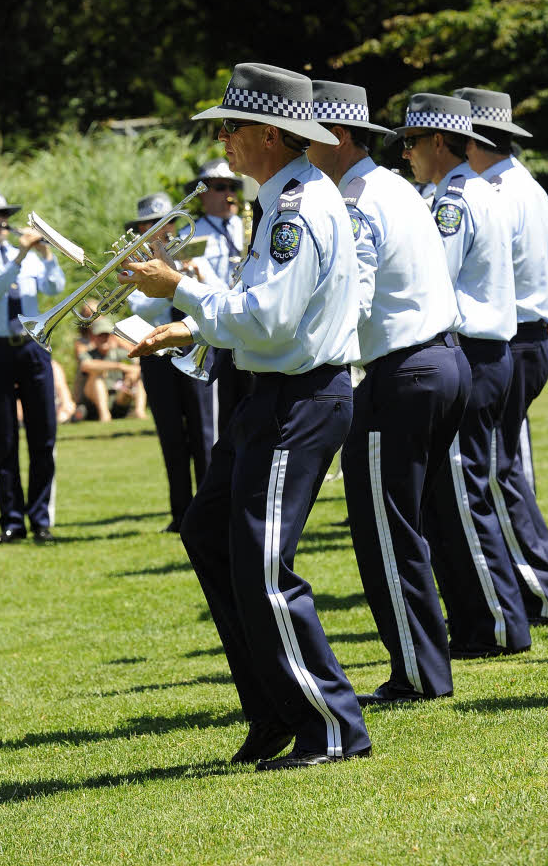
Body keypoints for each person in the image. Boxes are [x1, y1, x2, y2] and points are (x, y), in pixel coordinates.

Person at [118, 63, 371, 770]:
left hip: (300, 398)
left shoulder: (297, 209)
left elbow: (266, 318)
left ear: (267, 132)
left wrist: (181, 289)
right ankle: (273, 711)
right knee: (207, 532)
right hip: (274, 395)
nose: (222, 142)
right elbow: (258, 311)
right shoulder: (283, 198)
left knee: (263, 566)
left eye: (230, 128)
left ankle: (330, 724)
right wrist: (186, 319)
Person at [308, 82, 471, 703]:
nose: (303, 149)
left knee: (385, 530)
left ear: (341, 137)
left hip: (402, 371)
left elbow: (356, 295)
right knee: (406, 524)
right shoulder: (396, 187)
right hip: (441, 361)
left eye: (311, 137)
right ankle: (426, 663)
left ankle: (419, 673)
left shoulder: (355, 200)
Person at [385, 92, 532, 660]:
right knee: (455, 497)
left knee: (463, 499)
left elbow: (432, 276)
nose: (406, 155)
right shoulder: (471, 192)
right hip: (482, 353)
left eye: (412, 143)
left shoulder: (454, 202)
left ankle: (497, 622)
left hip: (473, 350)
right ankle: (478, 619)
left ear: (440, 142)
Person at [456, 88, 548, 624]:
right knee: (506, 467)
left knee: (497, 472)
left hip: (514, 336)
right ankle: (536, 577)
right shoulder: (521, 183)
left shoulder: (495, 191)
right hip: (528, 336)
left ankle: (540, 588)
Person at [0, 188, 66, 545]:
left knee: (43, 436)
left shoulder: (30, 256)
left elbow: (56, 284)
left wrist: (45, 251)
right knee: (4, 439)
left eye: (3, 214)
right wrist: (21, 254)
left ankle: (40, 519)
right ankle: (12, 522)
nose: (1, 221)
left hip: (34, 348)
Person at [124, 192, 215, 532]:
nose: (161, 230)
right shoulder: (134, 258)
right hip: (157, 352)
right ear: (142, 228)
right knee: (171, 435)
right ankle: (180, 514)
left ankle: (207, 511)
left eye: (167, 223)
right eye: (152, 225)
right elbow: (138, 307)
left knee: (205, 432)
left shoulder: (195, 251)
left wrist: (190, 280)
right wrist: (170, 283)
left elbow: (220, 295)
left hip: (196, 346)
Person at [183, 159, 254, 433]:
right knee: (223, 416)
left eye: (234, 187)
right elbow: (194, 286)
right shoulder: (189, 234)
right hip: (217, 329)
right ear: (202, 193)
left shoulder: (250, 226)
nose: (230, 195)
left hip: (248, 327)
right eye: (221, 187)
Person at [76, 316, 146, 420]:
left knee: (136, 377)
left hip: (118, 399)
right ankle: (104, 415)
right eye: (100, 335)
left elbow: (139, 367)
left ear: (112, 337)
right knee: (96, 377)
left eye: (107, 335)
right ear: (94, 337)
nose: (104, 339)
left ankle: (139, 412)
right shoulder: (88, 354)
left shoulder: (120, 353)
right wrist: (120, 366)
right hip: (93, 404)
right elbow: (86, 365)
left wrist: (129, 378)